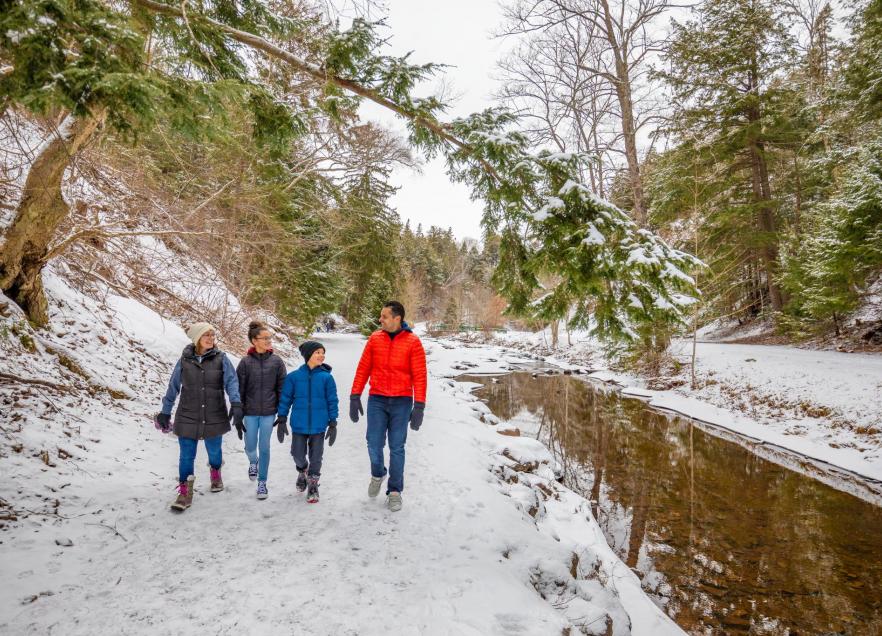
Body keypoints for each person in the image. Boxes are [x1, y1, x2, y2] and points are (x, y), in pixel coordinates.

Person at [155, 322, 242, 512]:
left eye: (212, 335)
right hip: (188, 413)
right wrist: (165, 410)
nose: (211, 338)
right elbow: (173, 386)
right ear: (197, 339)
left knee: (214, 451)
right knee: (186, 456)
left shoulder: (221, 359)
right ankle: (185, 492)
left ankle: (216, 471)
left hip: (214, 413)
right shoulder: (185, 360)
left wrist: (236, 403)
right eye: (206, 335)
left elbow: (232, 382)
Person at [349, 301, 426, 512]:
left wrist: (419, 405)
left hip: (401, 401)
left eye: (384, 316)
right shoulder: (375, 339)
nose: (380, 319)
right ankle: (378, 472)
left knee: (396, 446)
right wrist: (355, 395)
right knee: (373, 443)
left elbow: (419, 375)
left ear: (397, 319)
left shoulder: (413, 342)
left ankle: (394, 491)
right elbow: (363, 368)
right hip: (377, 399)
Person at [275, 341, 339, 503]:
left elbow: (332, 401)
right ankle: (302, 470)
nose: (321, 355)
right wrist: (282, 418)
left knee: (316, 456)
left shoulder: (327, 378)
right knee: (297, 453)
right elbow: (285, 399)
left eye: (323, 352)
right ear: (308, 355)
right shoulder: (294, 377)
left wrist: (333, 422)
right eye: (318, 352)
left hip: (319, 425)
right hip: (299, 424)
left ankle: (313, 484)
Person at [236, 321, 286, 500]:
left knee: (264, 447)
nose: (268, 341)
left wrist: (282, 414)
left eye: (269, 338)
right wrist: (237, 413)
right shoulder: (245, 363)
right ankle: (253, 462)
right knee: (250, 446)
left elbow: (282, 389)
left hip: (268, 412)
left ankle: (262, 482)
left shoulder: (277, 362)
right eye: (264, 338)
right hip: (249, 412)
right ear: (254, 341)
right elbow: (239, 389)